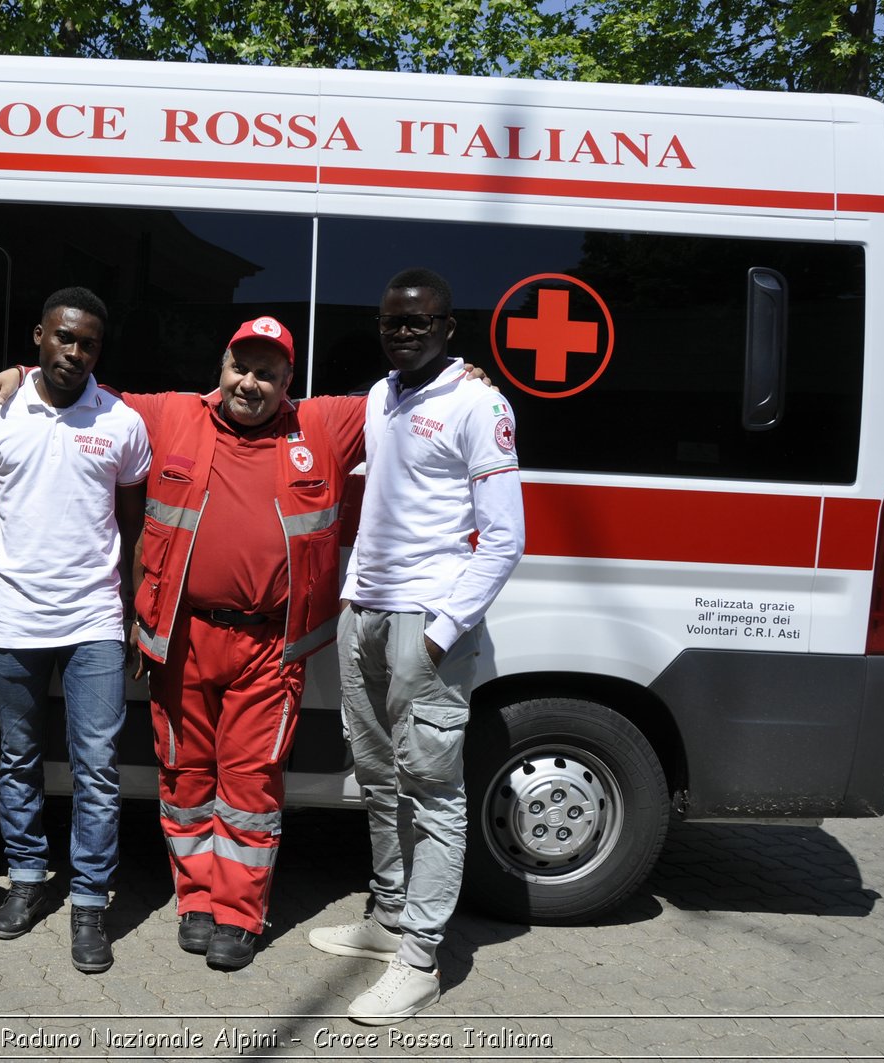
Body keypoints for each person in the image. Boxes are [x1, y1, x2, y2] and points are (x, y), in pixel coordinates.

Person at [0, 314, 368, 972]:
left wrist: (465, 377)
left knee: (250, 785)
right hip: (181, 637)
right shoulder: (171, 413)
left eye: (267, 373)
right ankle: (197, 902)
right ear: (222, 366)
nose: (250, 383)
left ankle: (240, 914)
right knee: (184, 779)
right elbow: (75, 384)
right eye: (241, 367)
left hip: (270, 647)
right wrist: (21, 371)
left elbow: (404, 400)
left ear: (288, 381)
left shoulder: (322, 424)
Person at [307, 268, 524, 1025]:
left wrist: (438, 632)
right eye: (392, 322)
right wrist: (350, 597)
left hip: (425, 622)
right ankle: (391, 912)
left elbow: (505, 540)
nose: (403, 333)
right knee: (374, 773)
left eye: (418, 323)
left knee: (434, 790)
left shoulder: (479, 401)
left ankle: (420, 958)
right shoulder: (379, 395)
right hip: (365, 610)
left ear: (448, 327)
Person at [0, 287, 149, 974]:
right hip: (15, 616)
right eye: (64, 337)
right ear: (39, 336)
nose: (75, 352)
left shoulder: (121, 419)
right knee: (19, 759)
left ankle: (90, 900)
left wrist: (134, 613)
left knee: (97, 766)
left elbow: (135, 523)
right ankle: (28, 878)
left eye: (88, 342)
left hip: (93, 617)